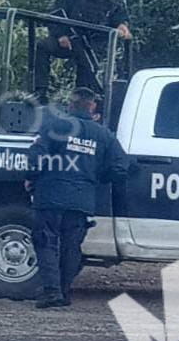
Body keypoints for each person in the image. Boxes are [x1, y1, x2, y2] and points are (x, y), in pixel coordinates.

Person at [24, 87, 128, 309]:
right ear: (92, 107)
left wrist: (32, 178)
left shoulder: (56, 127)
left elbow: (36, 154)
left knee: (47, 243)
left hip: (50, 195)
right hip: (82, 200)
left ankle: (51, 292)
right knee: (71, 247)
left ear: (70, 105)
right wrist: (96, 177)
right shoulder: (104, 135)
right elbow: (121, 167)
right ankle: (63, 291)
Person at [34, 0, 132, 102]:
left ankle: (82, 102)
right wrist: (61, 34)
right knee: (43, 46)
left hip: (95, 47)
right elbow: (56, 12)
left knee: (87, 74)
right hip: (69, 38)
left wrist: (123, 26)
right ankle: (40, 91)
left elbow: (121, 16)